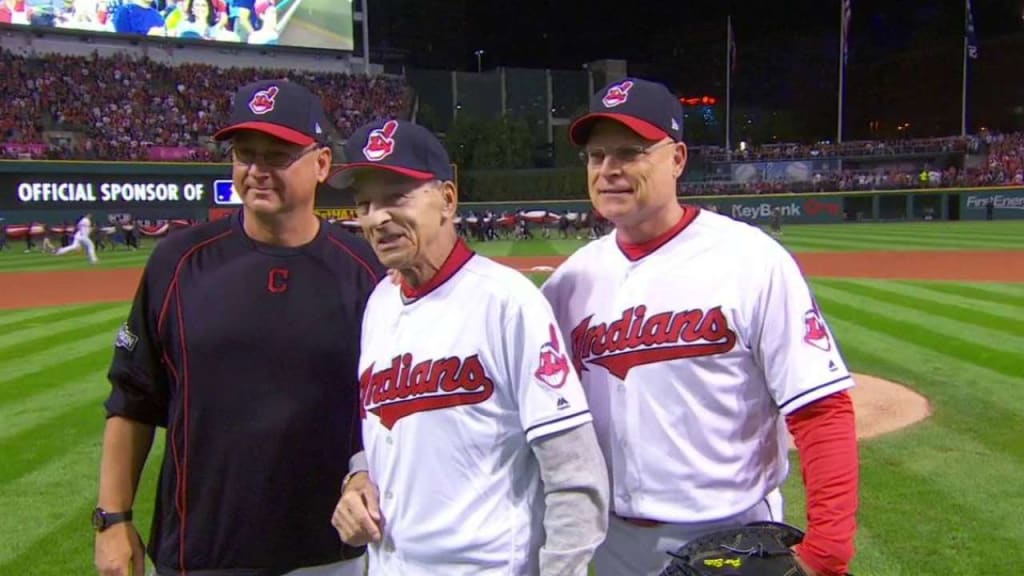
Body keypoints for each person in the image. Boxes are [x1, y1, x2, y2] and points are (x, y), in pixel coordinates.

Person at [540, 78, 859, 576]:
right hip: (611, 539)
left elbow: (822, 408)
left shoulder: (749, 258)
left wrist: (827, 552)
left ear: (677, 158)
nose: (609, 170)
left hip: (734, 539)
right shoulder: (568, 283)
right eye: (596, 156)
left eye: (631, 151)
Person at [93, 79, 384, 576]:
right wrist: (112, 520)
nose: (256, 170)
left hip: (331, 551)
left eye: (277, 155)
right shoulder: (178, 263)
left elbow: (394, 412)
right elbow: (133, 399)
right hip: (202, 550)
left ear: (321, 165)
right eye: (244, 154)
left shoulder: (368, 272)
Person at [328, 119, 609, 576]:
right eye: (365, 202)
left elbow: (575, 474)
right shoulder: (379, 302)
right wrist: (357, 478)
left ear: (447, 200)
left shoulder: (508, 303)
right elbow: (387, 431)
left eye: (397, 197)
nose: (377, 217)